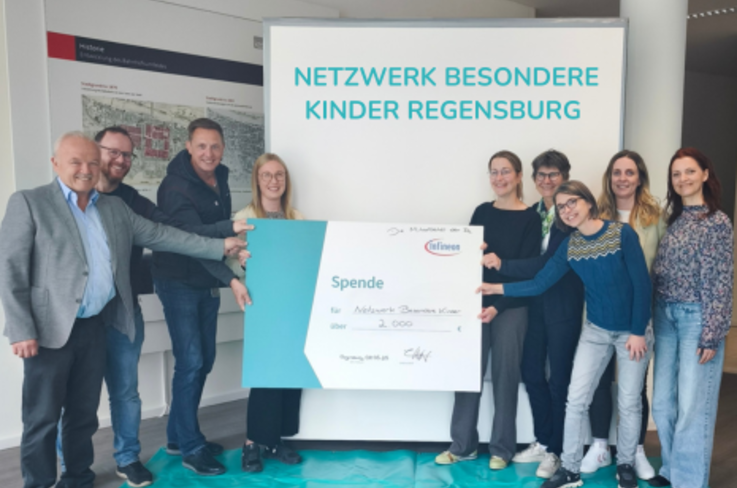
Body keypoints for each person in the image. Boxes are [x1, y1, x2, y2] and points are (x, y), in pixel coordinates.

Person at [0, 132, 244, 488]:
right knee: (42, 417)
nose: (85, 169)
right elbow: (11, 270)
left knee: (83, 414)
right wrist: (22, 329)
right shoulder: (30, 202)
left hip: (96, 325)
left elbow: (164, 235)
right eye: (76, 162)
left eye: (91, 163)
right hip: (49, 330)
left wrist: (218, 246)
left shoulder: (115, 208)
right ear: (56, 163)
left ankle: (78, 478)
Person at [477, 180, 652, 488]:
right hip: (596, 331)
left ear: (588, 202)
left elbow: (642, 284)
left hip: (632, 332)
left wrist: (638, 331)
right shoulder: (571, 245)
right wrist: (497, 288)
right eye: (561, 207)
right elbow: (539, 283)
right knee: (575, 399)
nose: (568, 210)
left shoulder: (622, 234)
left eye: (573, 202)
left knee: (628, 401)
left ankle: (625, 464)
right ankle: (570, 469)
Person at [152, 118, 250, 476]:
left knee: (203, 360)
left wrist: (233, 253)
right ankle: (191, 448)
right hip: (178, 281)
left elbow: (216, 240)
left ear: (222, 147)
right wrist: (231, 277)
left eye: (215, 146)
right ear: (189, 146)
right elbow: (193, 240)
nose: (209, 153)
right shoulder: (174, 187)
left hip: (206, 279)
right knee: (191, 362)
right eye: (202, 146)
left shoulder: (219, 176)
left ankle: (178, 437)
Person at [435, 150, 541, 470]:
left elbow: (528, 271)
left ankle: (502, 449)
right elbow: (467, 259)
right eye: (493, 172)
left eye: (505, 171)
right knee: (467, 374)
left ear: (519, 176)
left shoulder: (531, 218)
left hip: (511, 306)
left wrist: (498, 305)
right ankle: (462, 445)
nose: (499, 177)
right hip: (476, 303)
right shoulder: (482, 211)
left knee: (506, 377)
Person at [484, 150, 584, 479]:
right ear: (533, 179)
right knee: (531, 372)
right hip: (534, 304)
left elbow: (545, 265)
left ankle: (558, 451)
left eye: (553, 174)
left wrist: (502, 266)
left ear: (565, 177)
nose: (547, 180)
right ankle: (544, 440)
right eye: (541, 175)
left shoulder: (570, 216)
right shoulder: (534, 213)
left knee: (559, 379)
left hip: (562, 305)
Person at [649, 148, 733, 488]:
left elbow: (720, 281)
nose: (682, 178)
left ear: (705, 174)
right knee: (662, 403)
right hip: (664, 316)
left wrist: (711, 333)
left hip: (696, 319)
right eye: (676, 173)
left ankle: (688, 481)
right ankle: (672, 470)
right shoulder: (674, 220)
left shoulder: (717, 222)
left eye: (689, 171)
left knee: (692, 406)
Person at [582, 150, 665, 480]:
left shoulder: (655, 217)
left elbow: (659, 267)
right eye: (617, 172)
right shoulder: (595, 215)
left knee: (635, 388)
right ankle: (600, 446)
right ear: (610, 177)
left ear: (639, 177)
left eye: (629, 172)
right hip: (600, 315)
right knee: (600, 381)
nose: (623, 178)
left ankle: (636, 450)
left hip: (637, 319)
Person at [231, 153, 306, 473]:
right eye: (267, 175)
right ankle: (252, 443)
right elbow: (230, 263)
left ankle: (275, 441)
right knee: (264, 375)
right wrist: (242, 262)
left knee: (289, 373)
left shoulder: (297, 218)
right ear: (257, 180)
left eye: (279, 175)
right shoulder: (244, 218)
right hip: (261, 305)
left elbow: (305, 259)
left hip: (292, 306)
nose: (274, 181)